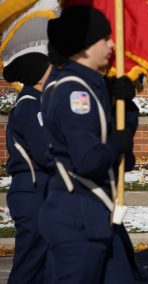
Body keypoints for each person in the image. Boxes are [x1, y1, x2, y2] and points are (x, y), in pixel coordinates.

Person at [37, 6, 141, 283]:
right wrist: (118, 141)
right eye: (103, 38)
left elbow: (123, 159)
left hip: (98, 216)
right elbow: (90, 160)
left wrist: (126, 108)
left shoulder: (91, 87)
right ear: (84, 47)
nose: (112, 44)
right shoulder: (74, 92)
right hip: (77, 219)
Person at [2, 51, 51, 284]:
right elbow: (45, 152)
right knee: (29, 265)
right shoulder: (31, 106)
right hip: (32, 190)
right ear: (39, 76)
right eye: (51, 68)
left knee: (42, 262)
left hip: (39, 189)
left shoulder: (39, 103)